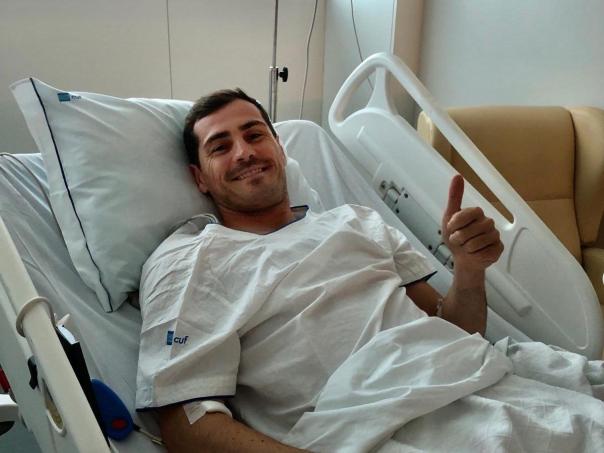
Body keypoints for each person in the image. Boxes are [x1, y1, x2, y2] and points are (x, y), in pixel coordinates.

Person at [135, 89, 604, 452]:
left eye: (255, 135)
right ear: (199, 178)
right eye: (220, 146)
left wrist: (469, 268)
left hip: (473, 380)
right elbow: (187, 424)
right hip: (373, 428)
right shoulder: (193, 260)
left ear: (279, 147)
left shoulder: (356, 221)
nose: (244, 152)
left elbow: (459, 331)